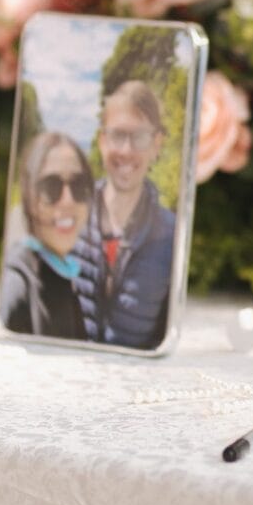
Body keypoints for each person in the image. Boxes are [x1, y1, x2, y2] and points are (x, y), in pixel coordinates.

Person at [73, 80, 178, 349]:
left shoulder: (172, 235)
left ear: (156, 144)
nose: (127, 150)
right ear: (102, 141)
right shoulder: (70, 220)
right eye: (118, 135)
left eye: (140, 137)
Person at [0, 131, 93, 340]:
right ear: (29, 196)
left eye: (79, 185)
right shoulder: (17, 286)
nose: (68, 200)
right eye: (51, 186)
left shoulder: (63, 276)